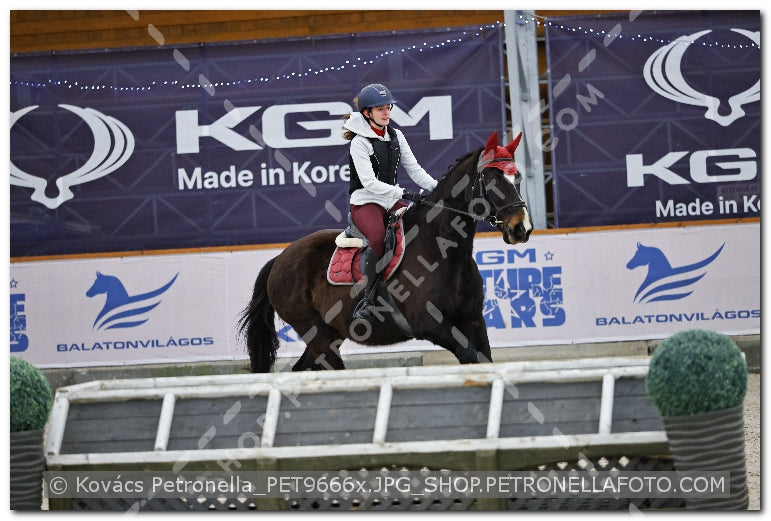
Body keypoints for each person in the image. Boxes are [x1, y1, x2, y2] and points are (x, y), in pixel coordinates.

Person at [342, 83, 438, 321]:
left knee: (420, 224)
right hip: (365, 202)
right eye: (380, 109)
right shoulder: (359, 143)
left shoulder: (397, 135)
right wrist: (402, 192)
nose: (386, 113)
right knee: (377, 238)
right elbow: (369, 182)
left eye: (388, 108)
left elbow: (415, 170)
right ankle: (369, 299)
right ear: (367, 113)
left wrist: (439, 189)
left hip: (390, 200)